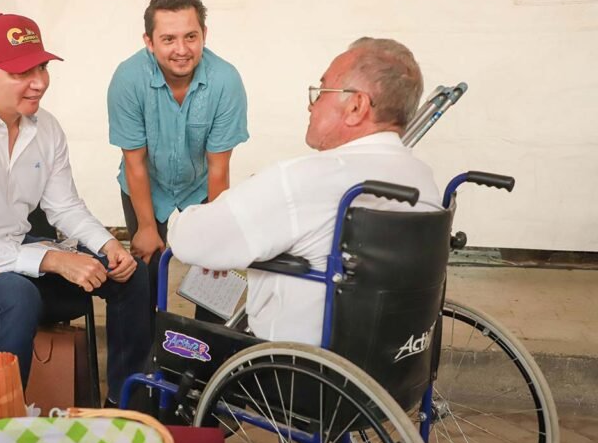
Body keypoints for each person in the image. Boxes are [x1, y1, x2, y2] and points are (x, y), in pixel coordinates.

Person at [0, 13, 153, 406]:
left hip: (14, 247)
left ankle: (128, 407)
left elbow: (65, 206)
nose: (39, 81)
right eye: (23, 71)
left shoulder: (46, 128)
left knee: (132, 276)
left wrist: (106, 246)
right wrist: (53, 259)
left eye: (41, 66)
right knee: (15, 296)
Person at [168, 37, 443, 346]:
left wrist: (186, 225)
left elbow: (191, 239)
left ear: (356, 106)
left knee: (157, 365)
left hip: (292, 372)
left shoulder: (305, 180)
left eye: (322, 91)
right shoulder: (423, 181)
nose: (311, 104)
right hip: (391, 366)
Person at [107, 0, 249, 319]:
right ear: (149, 41)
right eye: (168, 39)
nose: (182, 50)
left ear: (204, 35)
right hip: (145, 181)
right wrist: (145, 227)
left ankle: (204, 363)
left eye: (191, 37)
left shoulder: (226, 81)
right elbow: (135, 162)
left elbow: (218, 169)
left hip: (200, 184)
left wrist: (215, 234)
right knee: (144, 275)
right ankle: (145, 361)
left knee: (214, 269)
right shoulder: (127, 79)